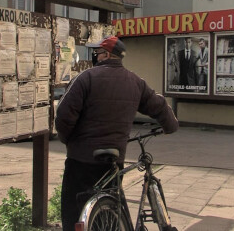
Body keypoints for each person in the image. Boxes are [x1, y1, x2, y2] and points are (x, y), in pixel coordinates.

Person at [55, 36, 179, 231]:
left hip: (81, 159)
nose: (95, 56)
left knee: (74, 208)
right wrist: (170, 126)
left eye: (97, 52)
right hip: (114, 156)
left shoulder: (85, 78)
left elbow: (63, 115)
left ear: (106, 55)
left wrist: (68, 139)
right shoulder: (135, 81)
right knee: (113, 202)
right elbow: (159, 105)